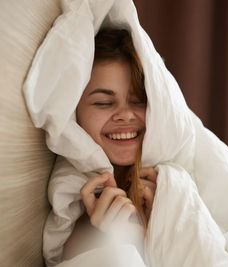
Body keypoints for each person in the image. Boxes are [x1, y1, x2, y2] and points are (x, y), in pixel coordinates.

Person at [61, 28, 156, 260]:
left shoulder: (170, 180)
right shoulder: (74, 220)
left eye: (138, 101)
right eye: (103, 103)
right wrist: (120, 240)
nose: (125, 115)